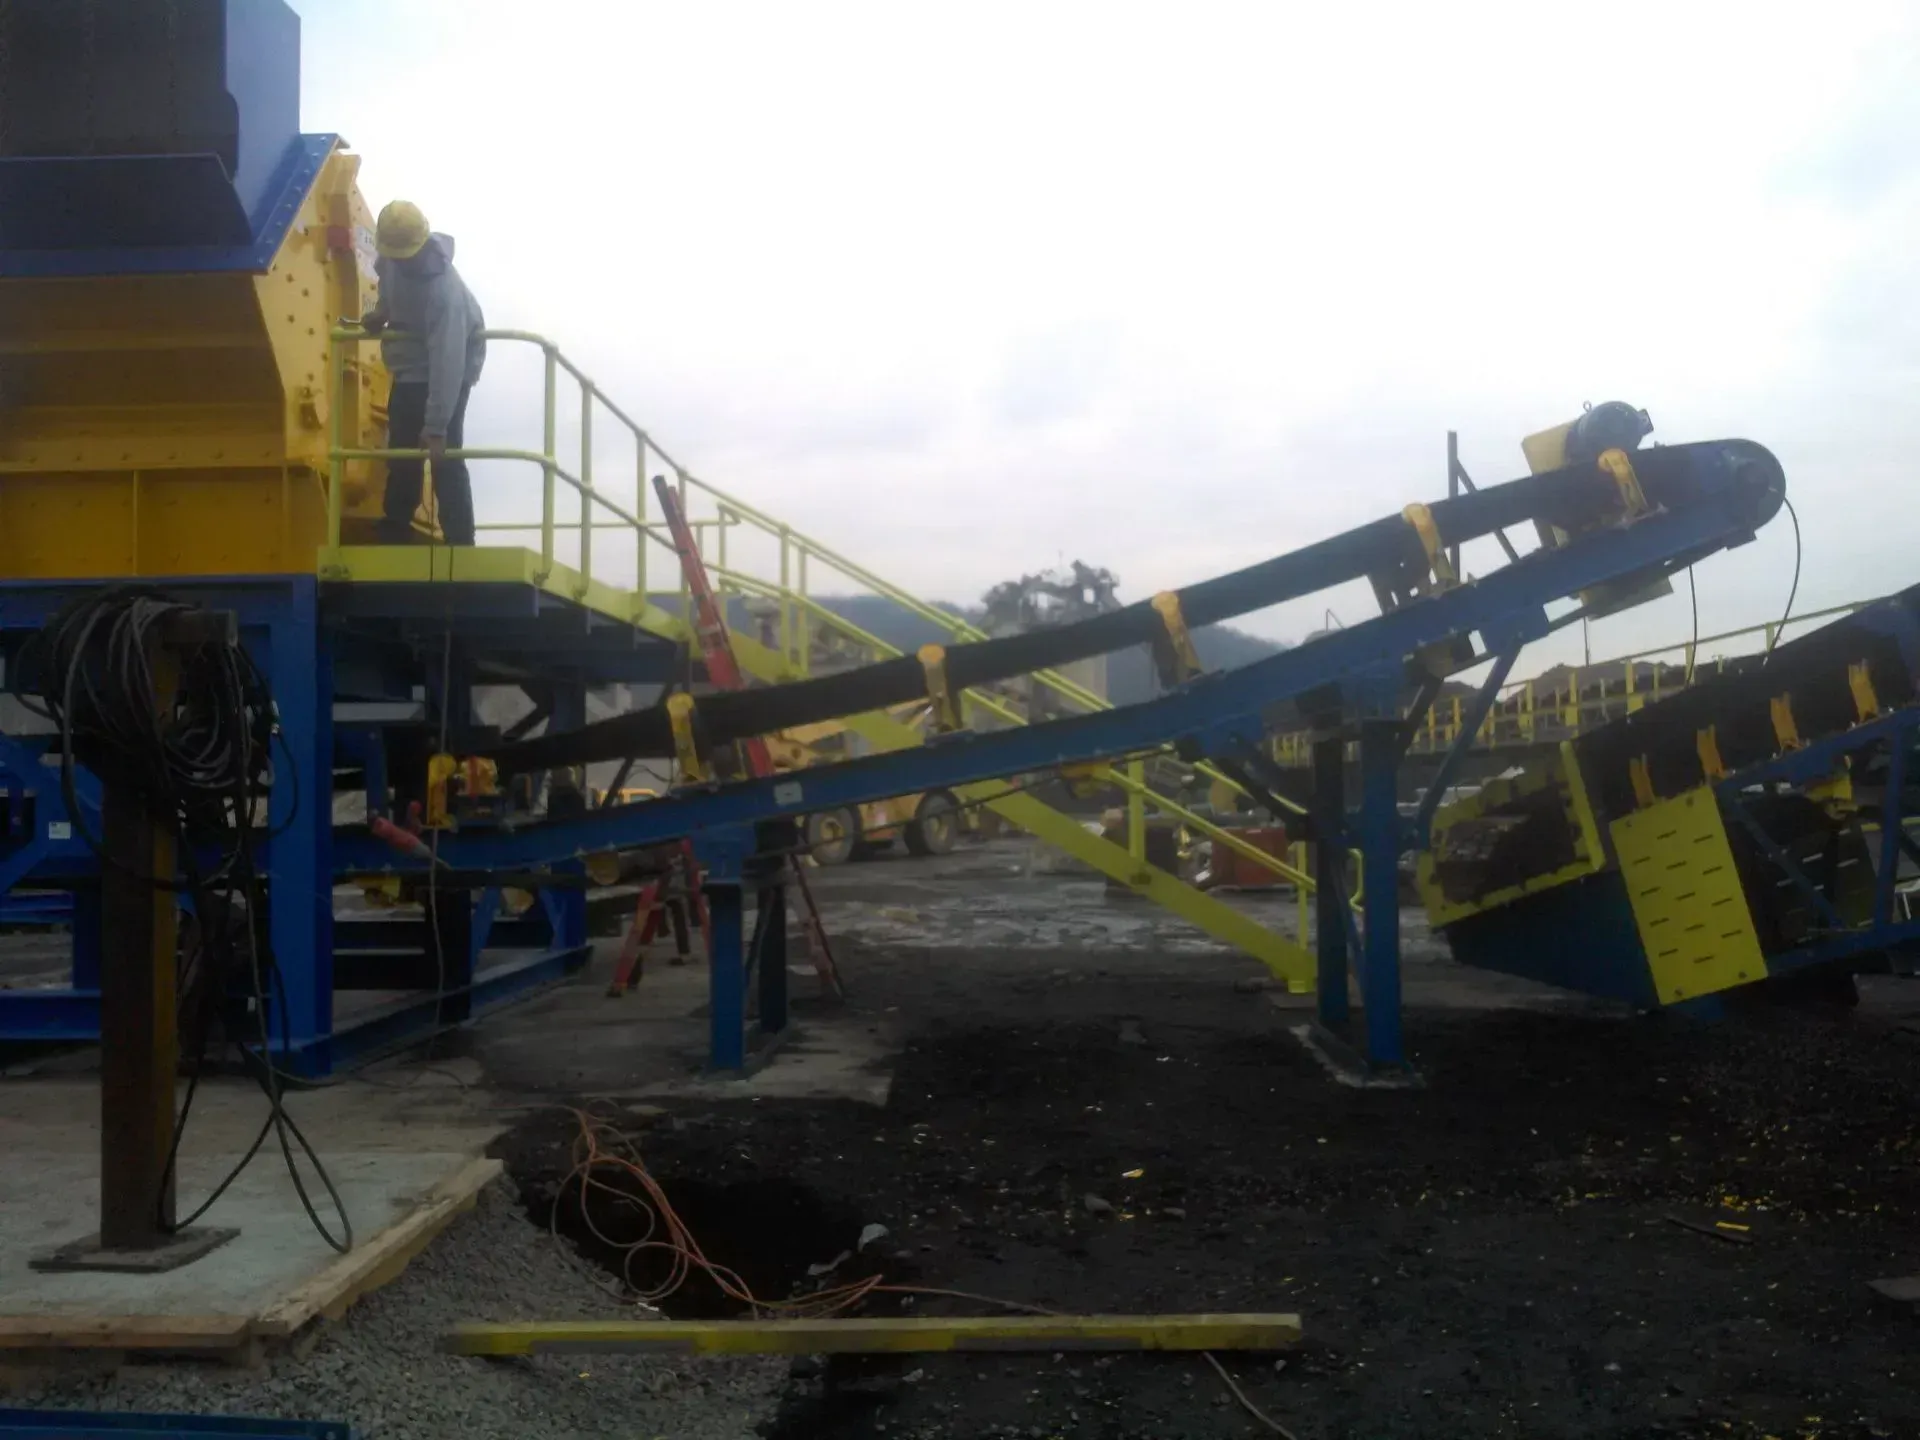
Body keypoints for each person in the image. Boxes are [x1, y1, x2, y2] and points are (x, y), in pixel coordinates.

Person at [359, 200, 486, 544]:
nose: (400, 261)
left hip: (453, 367)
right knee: (402, 450)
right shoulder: (390, 261)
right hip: (412, 365)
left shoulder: (445, 294)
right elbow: (388, 290)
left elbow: (448, 362)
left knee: (444, 454)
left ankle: (460, 540)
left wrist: (435, 427)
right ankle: (395, 527)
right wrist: (380, 313)